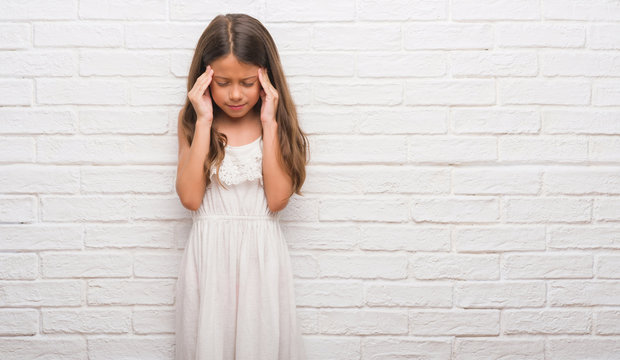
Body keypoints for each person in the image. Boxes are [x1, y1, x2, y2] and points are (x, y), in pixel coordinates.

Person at [174, 13, 309, 360]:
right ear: (205, 78)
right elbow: (190, 198)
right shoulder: (193, 121)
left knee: (259, 342)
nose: (235, 94)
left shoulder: (274, 122)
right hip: (209, 258)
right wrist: (204, 120)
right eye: (223, 82)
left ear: (265, 76)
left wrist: (270, 123)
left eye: (248, 82)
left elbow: (278, 200)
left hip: (261, 259)